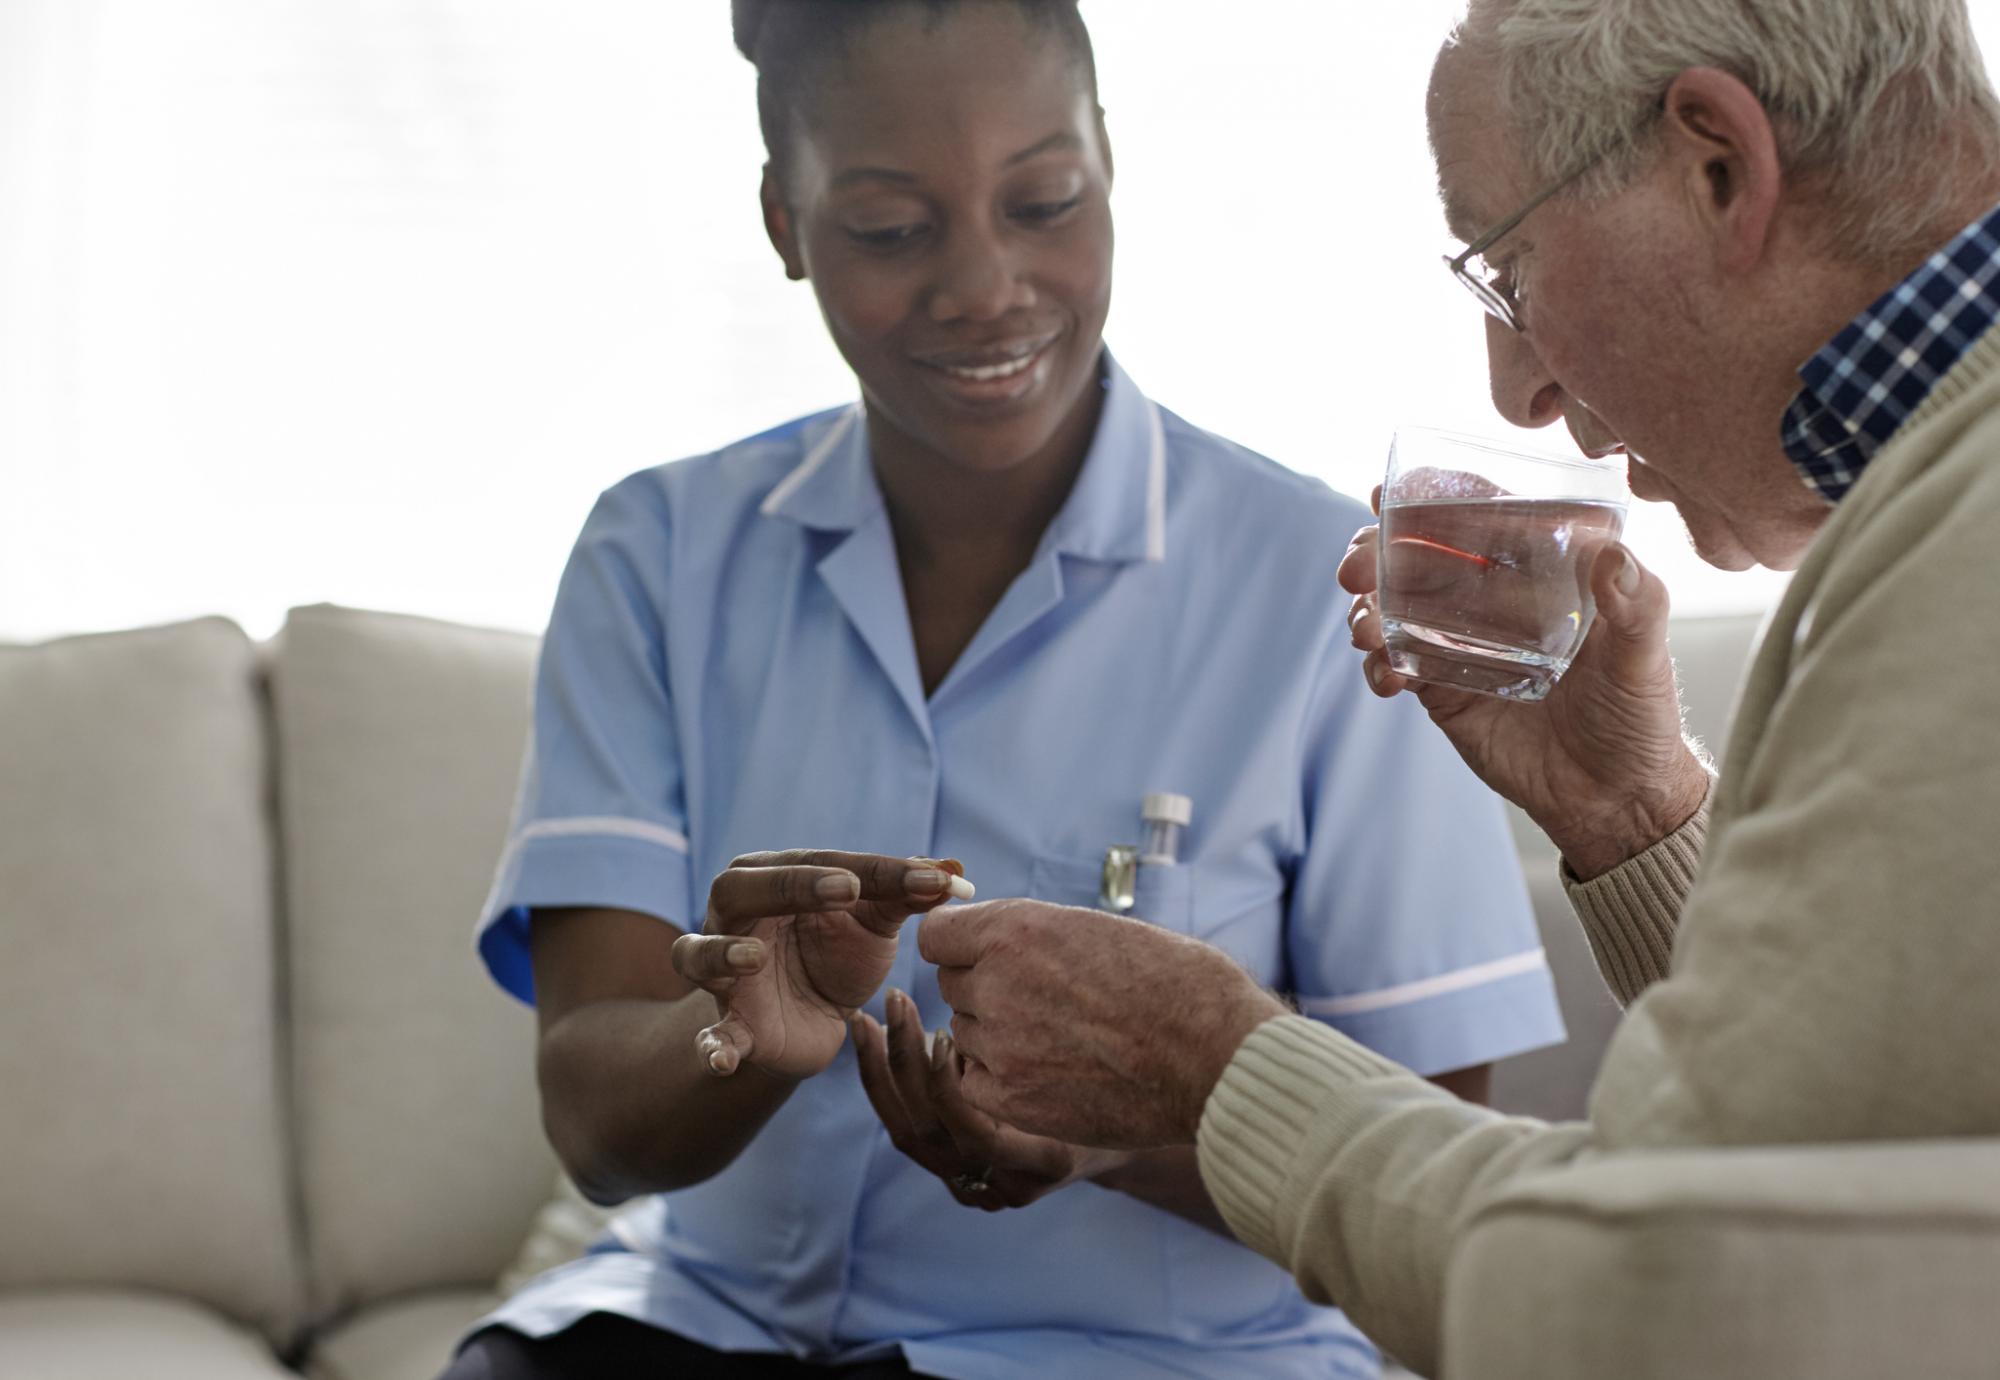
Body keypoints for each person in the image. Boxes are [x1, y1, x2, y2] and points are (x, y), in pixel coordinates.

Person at [443, 2, 1565, 1378]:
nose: (985, 284)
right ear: (785, 229)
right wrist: (738, 1026)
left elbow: (1421, 1185)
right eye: (891, 229)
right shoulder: (656, 557)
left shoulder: (1324, 589)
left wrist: (1122, 1135)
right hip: (696, 1333)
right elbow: (597, 1131)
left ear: (1108, 166)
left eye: (1044, 200)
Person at [915, 0, 2000, 1374]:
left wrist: (1210, 1065)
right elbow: (1849, 1143)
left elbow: (1662, 1290)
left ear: (1717, 163)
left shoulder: (1968, 557)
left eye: (1510, 271)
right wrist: (1638, 813)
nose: (1519, 389)